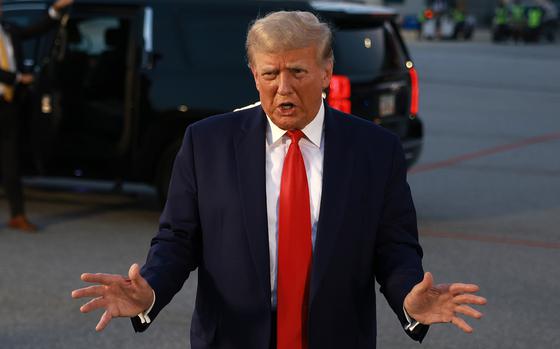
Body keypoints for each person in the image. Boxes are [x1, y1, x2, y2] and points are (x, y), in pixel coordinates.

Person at [72, 11, 486, 349]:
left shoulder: (376, 150)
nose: (283, 87)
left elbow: (394, 248)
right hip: (231, 339)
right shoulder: (207, 143)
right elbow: (178, 240)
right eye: (270, 74)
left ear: (327, 72)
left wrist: (410, 300)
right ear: (254, 74)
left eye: (298, 72)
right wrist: (151, 291)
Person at [0, 0, 73, 231]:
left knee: (11, 161)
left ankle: (17, 215)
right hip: (7, 91)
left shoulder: (8, 29)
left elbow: (36, 30)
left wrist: (56, 10)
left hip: (9, 104)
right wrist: (17, 78)